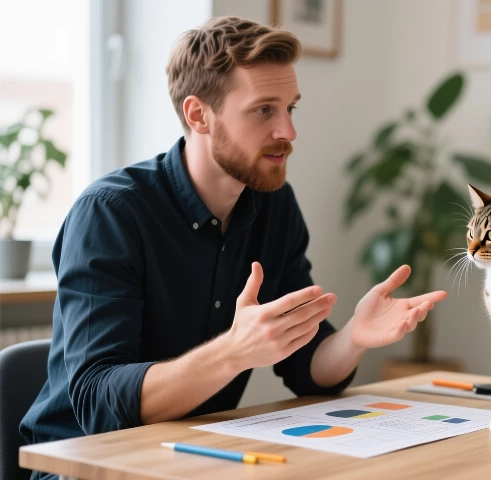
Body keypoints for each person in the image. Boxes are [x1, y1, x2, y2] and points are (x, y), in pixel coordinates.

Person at [21, 16, 447, 478]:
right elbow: (98, 402)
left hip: (192, 458)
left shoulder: (273, 204)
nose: (288, 131)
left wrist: (353, 338)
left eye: (291, 108)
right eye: (264, 110)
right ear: (198, 114)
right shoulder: (110, 214)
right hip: (85, 467)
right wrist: (233, 352)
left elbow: (306, 368)